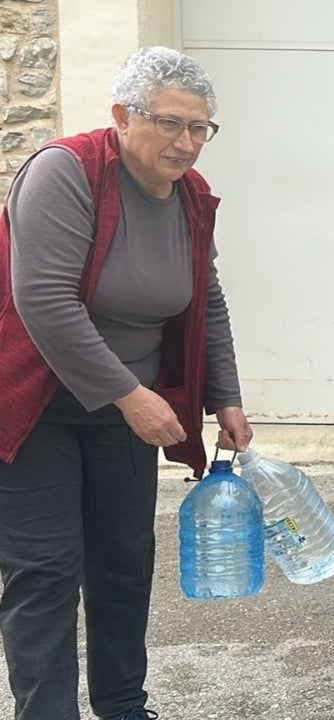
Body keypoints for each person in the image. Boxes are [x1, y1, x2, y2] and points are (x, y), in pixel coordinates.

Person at [0, 47, 251, 720]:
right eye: (170, 123)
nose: (186, 142)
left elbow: (206, 298)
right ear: (122, 116)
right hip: (36, 404)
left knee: (123, 564)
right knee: (46, 571)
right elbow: (44, 300)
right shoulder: (65, 171)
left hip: (127, 408)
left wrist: (225, 396)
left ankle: (122, 707)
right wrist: (131, 397)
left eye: (199, 128)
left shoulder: (191, 195)